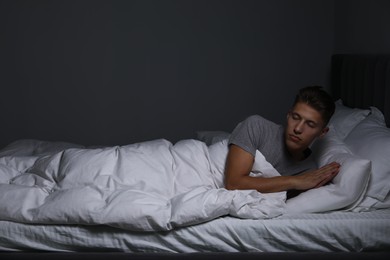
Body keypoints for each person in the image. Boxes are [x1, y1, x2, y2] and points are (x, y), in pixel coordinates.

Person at [224, 86, 340, 195]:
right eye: (295, 117)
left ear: (322, 132)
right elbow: (233, 183)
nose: (298, 128)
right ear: (288, 115)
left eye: (310, 124)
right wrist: (294, 181)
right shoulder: (257, 126)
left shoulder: (309, 173)